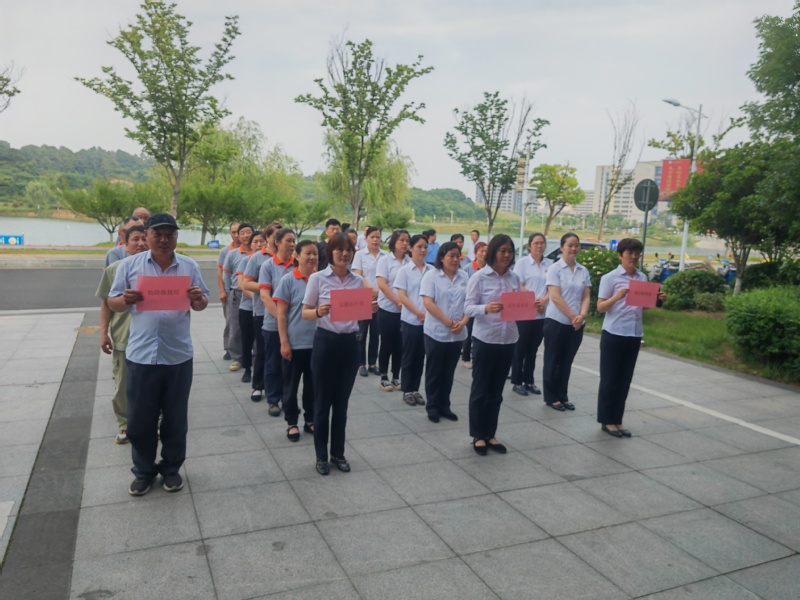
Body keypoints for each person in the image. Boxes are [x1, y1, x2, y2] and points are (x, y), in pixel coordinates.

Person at [107, 213, 209, 496]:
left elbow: (202, 303)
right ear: (147, 235)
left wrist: (197, 298)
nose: (164, 240)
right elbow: (112, 302)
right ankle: (143, 472)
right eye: (158, 234)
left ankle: (171, 469)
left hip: (177, 356)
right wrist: (124, 300)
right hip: (141, 356)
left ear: (177, 237)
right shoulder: (129, 265)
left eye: (170, 235)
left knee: (176, 419)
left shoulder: (189, 265)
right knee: (140, 421)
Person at [302, 233, 376, 475]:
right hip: (325, 343)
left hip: (350, 345)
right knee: (322, 403)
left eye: (348, 250)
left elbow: (361, 312)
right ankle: (321, 456)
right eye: (339, 250)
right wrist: (319, 312)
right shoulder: (317, 278)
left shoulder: (357, 281)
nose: (344, 254)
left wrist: (370, 308)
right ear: (330, 252)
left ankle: (338, 453)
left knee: (341, 404)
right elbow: (305, 312)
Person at [597, 238, 666, 437]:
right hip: (613, 333)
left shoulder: (642, 278)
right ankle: (606, 420)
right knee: (609, 379)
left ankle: (617, 420)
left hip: (633, 333)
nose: (634, 257)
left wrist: (656, 301)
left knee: (624, 380)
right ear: (620, 255)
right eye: (629, 254)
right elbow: (600, 307)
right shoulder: (610, 278)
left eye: (637, 254)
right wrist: (617, 296)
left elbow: (641, 306)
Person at [464, 234, 520, 456]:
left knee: (496, 391)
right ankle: (478, 435)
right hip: (485, 339)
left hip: (508, 339)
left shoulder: (514, 278)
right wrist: (485, 308)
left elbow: (516, 306)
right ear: (493, 252)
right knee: (481, 389)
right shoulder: (479, 277)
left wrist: (526, 304)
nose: (506, 255)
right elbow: (468, 308)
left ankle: (490, 433)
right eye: (503, 250)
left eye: (510, 251)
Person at [96, 224, 149, 444]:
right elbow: (106, 304)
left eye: (145, 238)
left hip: (150, 340)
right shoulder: (115, 269)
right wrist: (104, 333)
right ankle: (125, 424)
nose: (141, 243)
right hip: (123, 337)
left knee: (150, 384)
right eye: (135, 239)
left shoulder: (160, 271)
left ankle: (150, 420)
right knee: (123, 384)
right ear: (125, 245)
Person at [274, 240, 319, 441]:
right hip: (294, 344)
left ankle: (310, 419)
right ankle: (292, 422)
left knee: (313, 386)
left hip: (317, 344)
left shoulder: (321, 280)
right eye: (308, 253)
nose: (312, 257)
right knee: (290, 388)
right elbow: (281, 314)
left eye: (315, 253)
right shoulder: (288, 280)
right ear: (297, 257)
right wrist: (284, 342)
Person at [420, 242, 469, 422]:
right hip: (437, 332)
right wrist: (448, 322)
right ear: (441, 257)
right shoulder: (431, 276)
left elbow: (469, 302)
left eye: (458, 256)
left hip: (457, 333)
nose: (455, 260)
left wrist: (463, 322)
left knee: (448, 372)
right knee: (435, 371)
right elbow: (428, 303)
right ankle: (432, 406)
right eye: (451, 256)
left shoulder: (464, 277)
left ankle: (444, 405)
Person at [542, 233, 591, 411]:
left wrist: (582, 316)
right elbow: (555, 297)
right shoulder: (555, 269)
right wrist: (573, 316)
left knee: (566, 361)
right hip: (557, 321)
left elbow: (586, 296)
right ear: (562, 247)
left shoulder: (583, 270)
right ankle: (551, 397)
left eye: (576, 245)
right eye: (570, 245)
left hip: (577, 324)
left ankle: (563, 395)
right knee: (552, 360)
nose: (573, 249)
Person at [258, 228, 297, 417]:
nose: (292, 244)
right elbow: (265, 297)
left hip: (297, 326)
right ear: (278, 242)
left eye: (293, 240)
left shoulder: (298, 264)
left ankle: (288, 400)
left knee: (290, 368)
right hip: (273, 324)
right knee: (273, 364)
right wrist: (284, 320)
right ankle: (273, 399)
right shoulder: (268, 266)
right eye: (288, 240)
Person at [510, 233, 553, 396]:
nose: (539, 246)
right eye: (536, 243)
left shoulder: (550, 264)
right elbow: (518, 284)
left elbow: (553, 287)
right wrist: (533, 300)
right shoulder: (522, 263)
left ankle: (529, 380)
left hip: (542, 313)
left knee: (532, 350)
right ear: (529, 246)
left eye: (542, 243)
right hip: (525, 312)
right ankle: (517, 381)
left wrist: (544, 301)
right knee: (519, 348)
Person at [242, 224, 279, 401]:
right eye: (276, 236)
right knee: (262, 350)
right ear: (268, 238)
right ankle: (258, 385)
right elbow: (246, 283)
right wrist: (266, 287)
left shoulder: (290, 258)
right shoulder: (257, 258)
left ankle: (276, 386)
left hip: (284, 311)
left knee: (280, 351)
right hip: (261, 311)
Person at [395, 234, 433, 406]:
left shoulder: (431, 270)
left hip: (428, 321)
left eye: (425, 247)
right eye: (419, 247)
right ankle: (407, 390)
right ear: (411, 248)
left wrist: (427, 313)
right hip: (411, 319)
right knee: (409, 356)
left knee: (420, 356)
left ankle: (416, 389)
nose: (423, 250)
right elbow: (402, 296)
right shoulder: (404, 270)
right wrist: (418, 312)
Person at [375, 229, 411, 391]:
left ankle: (396, 375)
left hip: (405, 311)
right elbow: (382, 284)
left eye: (407, 241)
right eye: (401, 240)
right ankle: (383, 375)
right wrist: (397, 300)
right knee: (387, 343)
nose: (405, 243)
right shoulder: (385, 260)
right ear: (394, 242)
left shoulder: (410, 262)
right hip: (388, 308)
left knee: (400, 344)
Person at [351, 226, 386, 377]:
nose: (376, 240)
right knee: (362, 332)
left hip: (381, 299)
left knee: (376, 332)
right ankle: (361, 363)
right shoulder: (360, 255)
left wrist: (380, 292)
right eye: (372, 237)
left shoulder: (385, 255)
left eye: (378, 237)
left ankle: (373, 362)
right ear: (366, 238)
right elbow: (358, 275)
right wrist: (371, 290)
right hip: (364, 297)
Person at [232, 224, 256, 383]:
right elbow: (242, 284)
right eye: (256, 242)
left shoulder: (269, 261)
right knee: (247, 339)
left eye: (262, 241)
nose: (259, 244)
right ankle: (247, 368)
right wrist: (259, 298)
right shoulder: (245, 260)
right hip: (248, 307)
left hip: (266, 309)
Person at [223, 224, 247, 371]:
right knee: (235, 327)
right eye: (242, 233)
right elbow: (226, 273)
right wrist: (227, 290)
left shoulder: (259, 254)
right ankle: (237, 357)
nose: (245, 235)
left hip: (253, 295)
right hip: (236, 293)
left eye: (248, 232)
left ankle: (253, 356)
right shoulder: (232, 253)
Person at [461, 241, 487, 369]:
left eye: (486, 251)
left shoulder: (489, 268)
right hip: (471, 305)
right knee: (469, 330)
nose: (484, 254)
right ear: (476, 253)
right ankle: (466, 357)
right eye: (481, 251)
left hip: (485, 307)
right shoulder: (467, 268)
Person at [217, 222, 240, 361]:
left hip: (242, 292)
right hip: (229, 291)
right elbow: (220, 273)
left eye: (239, 231)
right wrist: (222, 291)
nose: (236, 235)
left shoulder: (250, 249)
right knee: (229, 322)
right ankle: (228, 348)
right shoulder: (226, 251)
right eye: (233, 232)